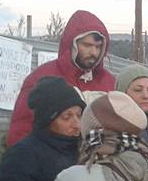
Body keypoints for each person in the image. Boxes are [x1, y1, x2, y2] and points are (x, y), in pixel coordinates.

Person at [7, 10, 115, 146]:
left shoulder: (109, 83)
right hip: (51, 161)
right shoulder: (42, 77)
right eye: (86, 45)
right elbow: (21, 128)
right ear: (72, 44)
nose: (93, 52)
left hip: (98, 162)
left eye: (98, 47)